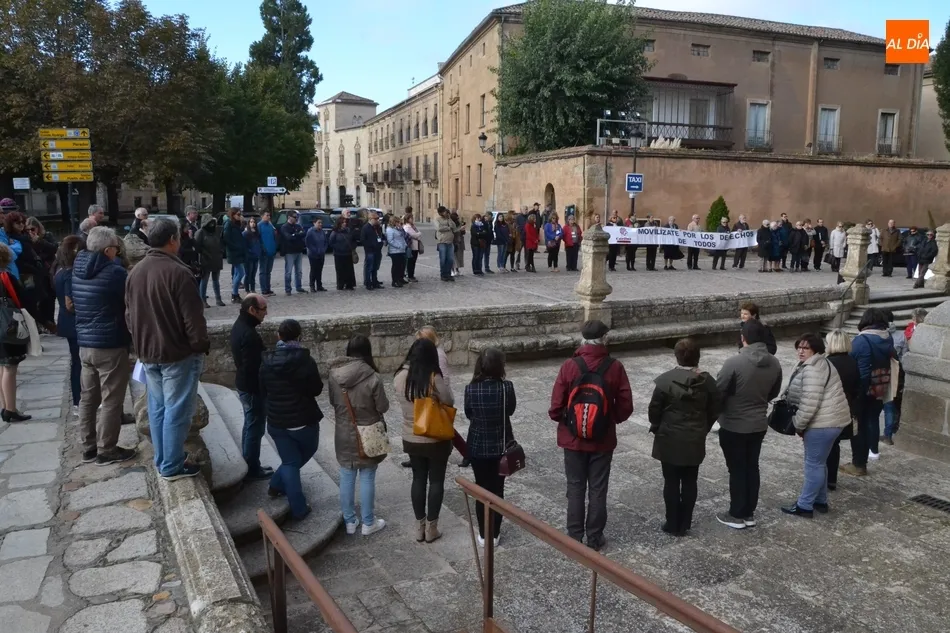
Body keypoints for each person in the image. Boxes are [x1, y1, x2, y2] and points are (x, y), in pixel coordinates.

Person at [127, 219, 210, 480]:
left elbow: (129, 315)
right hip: (176, 353)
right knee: (176, 411)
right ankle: (171, 465)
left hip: (148, 351)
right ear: (173, 239)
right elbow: (193, 318)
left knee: (158, 408)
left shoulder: (136, 271)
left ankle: (164, 459)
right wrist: (199, 346)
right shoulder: (179, 272)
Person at [548, 320, 633, 551]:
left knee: (575, 486)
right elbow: (626, 405)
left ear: (582, 338)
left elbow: (555, 407)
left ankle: (574, 536)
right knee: (598, 488)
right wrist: (607, 419)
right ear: (605, 339)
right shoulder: (614, 367)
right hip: (602, 440)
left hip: (572, 439)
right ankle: (594, 538)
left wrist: (568, 423)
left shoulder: (569, 366)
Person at [72, 227, 137, 465]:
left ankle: (88, 446)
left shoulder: (76, 270)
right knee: (111, 398)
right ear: (108, 249)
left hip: (85, 342)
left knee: (88, 397)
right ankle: (106, 449)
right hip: (109, 343)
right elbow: (131, 302)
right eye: (116, 249)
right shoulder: (114, 272)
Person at [648, 339, 720, 536]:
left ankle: (672, 523)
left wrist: (657, 426)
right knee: (690, 480)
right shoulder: (708, 383)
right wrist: (704, 427)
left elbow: (654, 409)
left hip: (669, 437)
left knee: (671, 481)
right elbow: (715, 409)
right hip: (694, 437)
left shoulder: (665, 381)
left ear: (676, 356)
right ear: (698, 357)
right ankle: (685, 522)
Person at [715, 320, 783, 529]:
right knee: (752, 467)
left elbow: (719, 391)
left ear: (743, 338)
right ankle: (749, 513)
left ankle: (736, 513)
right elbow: (774, 391)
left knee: (736, 469)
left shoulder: (733, 363)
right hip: (758, 423)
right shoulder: (774, 363)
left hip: (734, 423)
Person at [782, 333, 852, 517]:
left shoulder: (813, 369)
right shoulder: (823, 363)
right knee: (820, 462)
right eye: (799, 347)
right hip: (833, 421)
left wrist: (798, 424)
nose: (800, 351)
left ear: (816, 349)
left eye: (805, 348)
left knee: (813, 464)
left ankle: (804, 506)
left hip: (822, 423)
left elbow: (809, 402)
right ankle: (820, 501)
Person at [259, 319, 323, 520]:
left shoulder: (266, 362)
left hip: (277, 420)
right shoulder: (305, 361)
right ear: (299, 337)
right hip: (302, 419)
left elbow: (262, 390)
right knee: (295, 460)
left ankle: (276, 485)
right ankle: (298, 507)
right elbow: (316, 389)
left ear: (279, 336)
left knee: (290, 461)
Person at [394, 338, 455, 543]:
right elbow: (449, 400)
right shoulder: (433, 377)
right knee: (436, 480)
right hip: (434, 436)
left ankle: (419, 527)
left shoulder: (400, 376)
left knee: (418, 479)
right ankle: (432, 528)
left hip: (411, 436)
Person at [328, 335, 389, 536]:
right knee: (368, 475)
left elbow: (332, 402)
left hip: (343, 432)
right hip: (368, 433)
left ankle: (349, 521)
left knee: (346, 474)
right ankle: (368, 522)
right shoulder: (373, 377)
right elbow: (383, 406)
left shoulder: (334, 375)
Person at [464, 347, 517, 547]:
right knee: (497, 489)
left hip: (478, 445)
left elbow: (469, 413)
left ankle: (484, 534)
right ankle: (494, 532)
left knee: (481, 487)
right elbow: (510, 410)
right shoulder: (506, 388)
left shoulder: (471, 389)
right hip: (500, 445)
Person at [842, 308, 894, 476]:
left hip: (863, 390)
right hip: (880, 388)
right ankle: (868, 455)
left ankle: (858, 464)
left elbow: (858, 367)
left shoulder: (862, 340)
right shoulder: (887, 338)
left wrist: (856, 394)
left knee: (857, 427)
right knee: (871, 422)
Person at [230, 294, 273, 480]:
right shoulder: (249, 334)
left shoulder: (240, 326)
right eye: (263, 309)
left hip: (244, 385)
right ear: (252, 310)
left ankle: (249, 463)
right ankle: (252, 468)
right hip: (252, 389)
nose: (266, 313)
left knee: (250, 426)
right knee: (255, 429)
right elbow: (252, 368)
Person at [824, 330, 860, 491]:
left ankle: (824, 480)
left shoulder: (828, 363)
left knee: (823, 447)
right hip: (846, 408)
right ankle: (831, 479)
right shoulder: (852, 362)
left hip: (830, 409)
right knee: (835, 445)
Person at [0, 243, 32, 422]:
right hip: (7, 326)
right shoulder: (6, 276)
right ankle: (10, 409)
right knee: (10, 368)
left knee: (1, 367)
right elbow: (21, 300)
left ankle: (5, 405)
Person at [54, 236, 83, 409]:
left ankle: (78, 399)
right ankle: (79, 400)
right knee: (78, 363)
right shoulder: (69, 274)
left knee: (76, 362)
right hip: (73, 323)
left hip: (66, 322)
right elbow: (69, 303)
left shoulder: (60, 271)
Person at [195, 216, 225, 308]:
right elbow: (197, 246)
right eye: (209, 222)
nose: (211, 224)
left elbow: (221, 241)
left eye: (213, 222)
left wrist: (221, 251)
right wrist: (204, 253)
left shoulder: (216, 231)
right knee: (204, 281)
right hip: (205, 260)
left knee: (216, 280)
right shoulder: (201, 232)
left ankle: (218, 299)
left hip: (216, 258)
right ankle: (202, 300)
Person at [222, 208, 247, 303]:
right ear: (233, 215)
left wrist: (243, 223)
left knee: (237, 273)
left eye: (240, 214)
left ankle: (235, 294)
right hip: (233, 252)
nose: (239, 216)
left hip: (239, 251)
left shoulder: (236, 224)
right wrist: (236, 247)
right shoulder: (228, 224)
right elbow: (226, 238)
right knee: (241, 273)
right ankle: (234, 293)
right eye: (238, 214)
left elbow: (239, 234)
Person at [280, 212, 308, 295]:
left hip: (298, 251)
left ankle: (298, 287)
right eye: (295, 217)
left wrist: (294, 235)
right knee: (288, 271)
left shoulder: (298, 226)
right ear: (289, 217)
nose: (296, 218)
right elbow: (288, 237)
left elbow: (303, 233)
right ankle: (288, 289)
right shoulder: (284, 227)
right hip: (289, 252)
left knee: (299, 271)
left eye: (297, 217)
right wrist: (297, 234)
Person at [258, 211, 278, 296]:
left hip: (271, 251)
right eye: (267, 215)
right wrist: (262, 249)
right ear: (262, 216)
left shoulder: (270, 225)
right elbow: (258, 239)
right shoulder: (259, 226)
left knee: (268, 272)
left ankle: (268, 288)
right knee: (263, 271)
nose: (268, 217)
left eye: (269, 215)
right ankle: (264, 290)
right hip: (264, 252)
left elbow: (274, 237)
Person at [305, 218, 328, 292]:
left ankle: (319, 286)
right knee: (314, 270)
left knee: (319, 270)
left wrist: (323, 250)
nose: (320, 224)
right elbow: (308, 243)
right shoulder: (310, 232)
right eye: (319, 223)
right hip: (313, 254)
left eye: (321, 223)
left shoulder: (322, 232)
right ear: (314, 223)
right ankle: (312, 286)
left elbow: (325, 242)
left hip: (321, 254)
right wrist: (315, 251)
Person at [435, 207, 458, 282]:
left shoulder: (449, 219)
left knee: (450, 259)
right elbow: (439, 228)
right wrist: (448, 228)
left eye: (446, 211)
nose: (446, 213)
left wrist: (449, 219)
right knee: (443, 259)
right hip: (442, 242)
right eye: (444, 212)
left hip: (450, 242)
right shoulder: (437, 219)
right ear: (441, 212)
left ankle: (448, 274)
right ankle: (443, 274)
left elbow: (454, 228)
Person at [385, 215, 408, 288]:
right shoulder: (389, 229)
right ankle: (395, 281)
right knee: (396, 266)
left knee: (402, 265)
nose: (399, 223)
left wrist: (404, 244)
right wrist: (399, 246)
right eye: (398, 222)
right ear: (394, 222)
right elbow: (390, 241)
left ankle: (400, 279)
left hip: (401, 250)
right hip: (395, 251)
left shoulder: (398, 229)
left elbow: (403, 237)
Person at [243, 217, 262, 293]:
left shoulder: (257, 233)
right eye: (251, 222)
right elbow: (244, 246)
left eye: (254, 222)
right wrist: (249, 252)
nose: (252, 223)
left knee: (253, 274)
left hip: (256, 256)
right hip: (248, 257)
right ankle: (247, 289)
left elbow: (259, 244)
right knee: (248, 274)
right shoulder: (246, 233)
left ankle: (253, 289)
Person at [403, 213, 422, 282]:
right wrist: (418, 234)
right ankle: (410, 275)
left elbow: (417, 234)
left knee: (413, 261)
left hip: (415, 245)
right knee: (410, 261)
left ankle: (412, 274)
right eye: (411, 218)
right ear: (407, 219)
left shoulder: (413, 226)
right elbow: (414, 235)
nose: (412, 219)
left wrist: (418, 234)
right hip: (411, 246)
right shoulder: (407, 227)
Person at [451, 211, 466, 276]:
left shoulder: (459, 223)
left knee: (459, 256)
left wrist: (462, 230)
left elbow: (463, 233)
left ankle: (457, 270)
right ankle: (452, 270)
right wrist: (460, 229)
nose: (458, 219)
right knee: (453, 256)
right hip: (454, 241)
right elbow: (453, 232)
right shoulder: (451, 224)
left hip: (460, 241)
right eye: (457, 218)